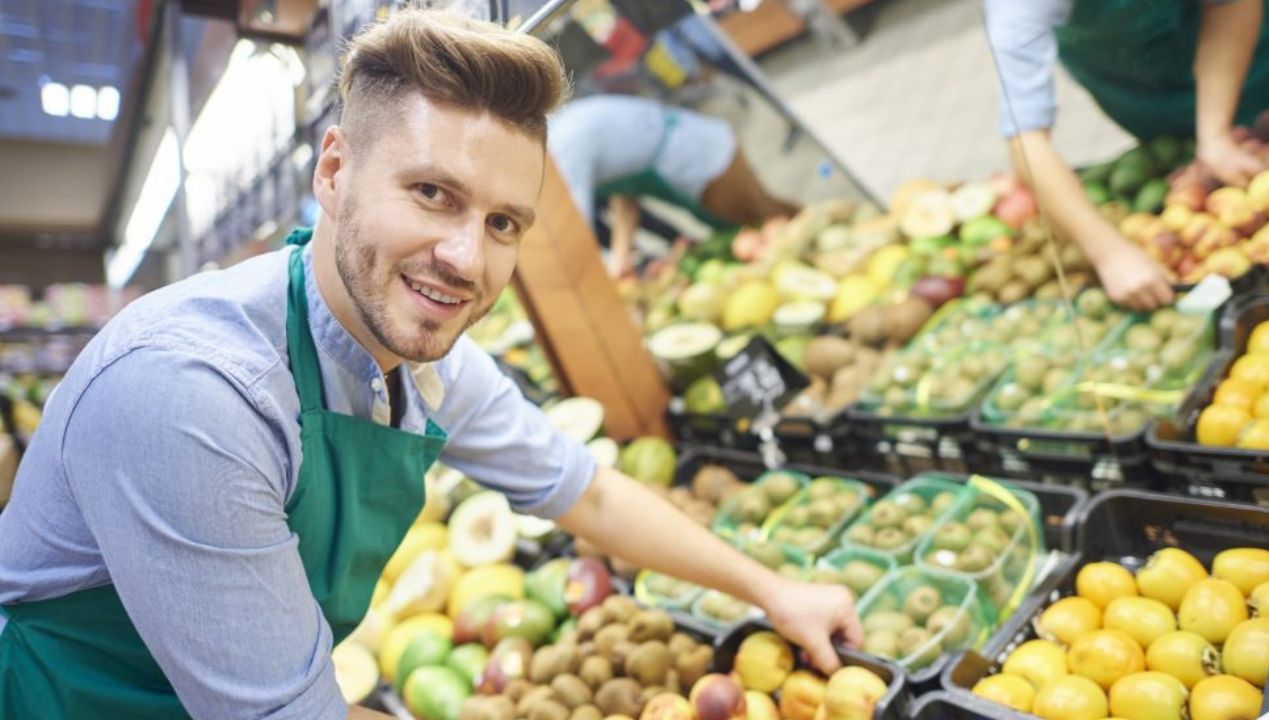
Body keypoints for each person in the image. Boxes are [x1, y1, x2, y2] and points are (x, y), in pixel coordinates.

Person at [0, 11, 859, 719]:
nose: (464, 257)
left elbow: (585, 491)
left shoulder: (425, 364)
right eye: (431, 193)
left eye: (502, 224)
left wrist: (773, 589)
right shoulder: (194, 396)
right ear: (334, 171)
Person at [984, 0, 1269, 310]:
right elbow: (1025, 139)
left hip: (1246, 58)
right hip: (1141, 88)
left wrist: (1214, 134)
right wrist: (1110, 253)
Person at [548, 94, 800, 277]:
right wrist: (620, 258)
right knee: (759, 233)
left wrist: (607, 270)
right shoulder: (562, 135)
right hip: (696, 160)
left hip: (705, 160)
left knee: (774, 225)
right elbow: (625, 198)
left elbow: (576, 232)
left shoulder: (563, 147)